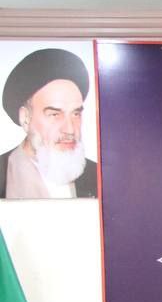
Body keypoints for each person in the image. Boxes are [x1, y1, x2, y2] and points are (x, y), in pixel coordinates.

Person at [1, 47, 98, 198]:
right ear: (25, 118)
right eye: (55, 115)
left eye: (76, 114)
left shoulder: (98, 176)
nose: (70, 129)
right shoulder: (3, 173)